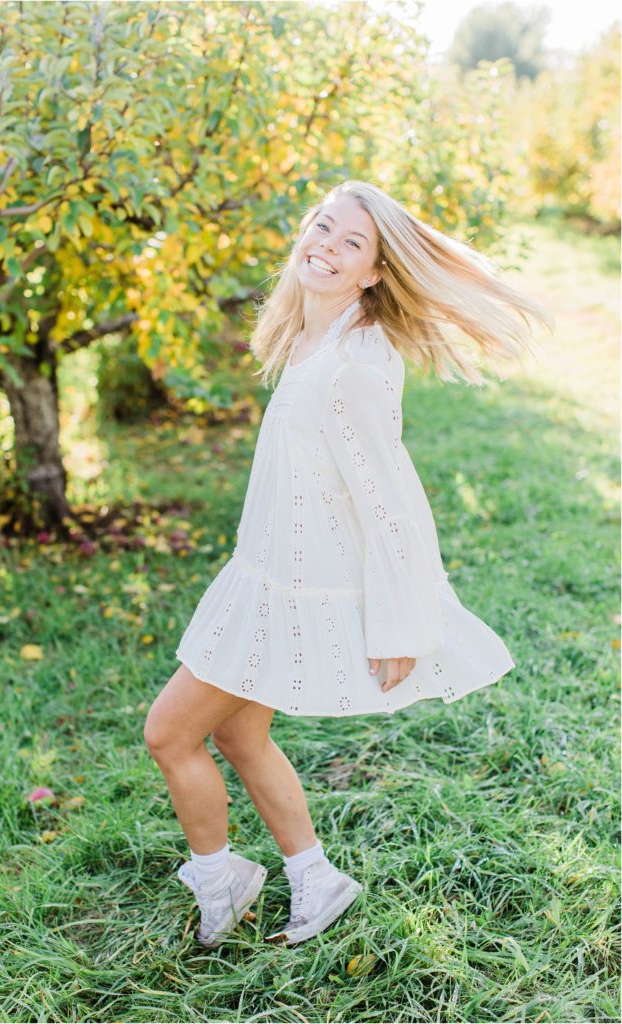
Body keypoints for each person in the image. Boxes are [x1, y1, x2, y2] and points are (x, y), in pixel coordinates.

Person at [144, 180, 555, 949]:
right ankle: (314, 879)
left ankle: (223, 874)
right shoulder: (315, 336)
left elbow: (390, 501)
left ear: (373, 270)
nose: (324, 249)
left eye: (349, 244)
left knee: (168, 734)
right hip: (263, 574)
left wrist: (401, 623)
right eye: (321, 229)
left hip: (289, 586)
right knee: (236, 736)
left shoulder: (354, 365)